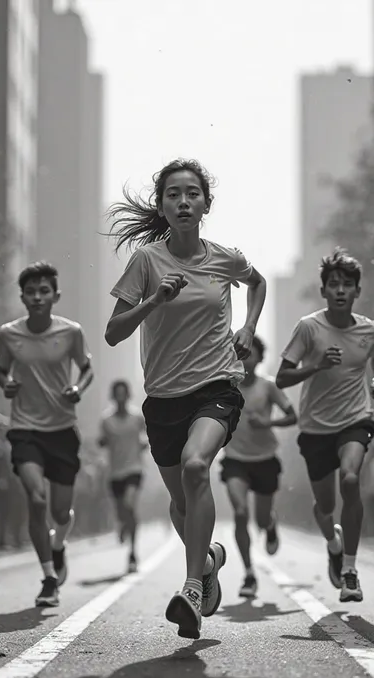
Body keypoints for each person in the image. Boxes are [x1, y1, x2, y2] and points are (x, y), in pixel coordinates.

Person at [104, 158, 266, 639]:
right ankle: (211, 559)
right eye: (173, 194)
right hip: (163, 398)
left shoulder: (225, 258)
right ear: (162, 205)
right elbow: (113, 333)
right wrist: (153, 301)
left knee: (198, 467)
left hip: (217, 387)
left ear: (206, 204)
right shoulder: (147, 262)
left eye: (192, 193)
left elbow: (256, 282)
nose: (183, 201)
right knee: (181, 503)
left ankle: (192, 588)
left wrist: (248, 327)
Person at [276, 248, 374, 603]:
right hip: (315, 428)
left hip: (355, 419)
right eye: (334, 284)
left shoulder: (371, 330)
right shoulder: (309, 328)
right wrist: (316, 366)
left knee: (351, 480)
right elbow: (282, 378)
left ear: (357, 291)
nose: (340, 290)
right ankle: (334, 543)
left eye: (348, 285)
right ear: (324, 291)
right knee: (324, 507)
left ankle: (350, 571)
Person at [0, 261, 93, 607]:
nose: (37, 297)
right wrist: (6, 384)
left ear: (55, 296)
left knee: (61, 513)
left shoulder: (71, 332)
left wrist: (77, 388)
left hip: (63, 430)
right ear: (22, 296)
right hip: (25, 429)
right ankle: (49, 577)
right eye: (31, 292)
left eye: (44, 291)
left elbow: (86, 368)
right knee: (36, 501)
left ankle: (58, 544)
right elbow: (2, 370)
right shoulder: (9, 333)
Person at [220, 335, 297, 599]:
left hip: (264, 459)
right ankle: (249, 573)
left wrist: (268, 424)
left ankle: (271, 523)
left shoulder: (268, 387)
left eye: (252, 352)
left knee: (261, 520)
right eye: (242, 352)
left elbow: (292, 416)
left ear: (261, 358)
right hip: (235, 460)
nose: (247, 356)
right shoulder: (227, 387)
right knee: (241, 513)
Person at [98, 380, 147, 573]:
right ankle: (123, 524)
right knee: (121, 512)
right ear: (113, 396)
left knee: (129, 505)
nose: (120, 398)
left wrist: (144, 443)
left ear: (128, 396)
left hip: (134, 468)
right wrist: (102, 442)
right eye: (116, 394)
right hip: (115, 472)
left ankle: (133, 552)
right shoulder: (106, 420)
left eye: (123, 394)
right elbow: (102, 440)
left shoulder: (137, 417)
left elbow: (145, 436)